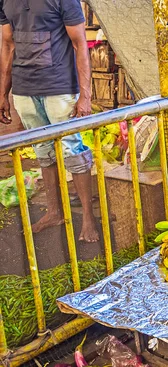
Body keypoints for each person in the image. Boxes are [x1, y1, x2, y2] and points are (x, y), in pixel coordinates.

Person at [0, 0, 99, 242]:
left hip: (59, 86)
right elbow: (8, 44)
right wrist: (3, 93)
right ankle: (54, 212)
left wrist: (85, 96)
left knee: (71, 149)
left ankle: (88, 217)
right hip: (24, 89)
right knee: (42, 150)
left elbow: (80, 44)